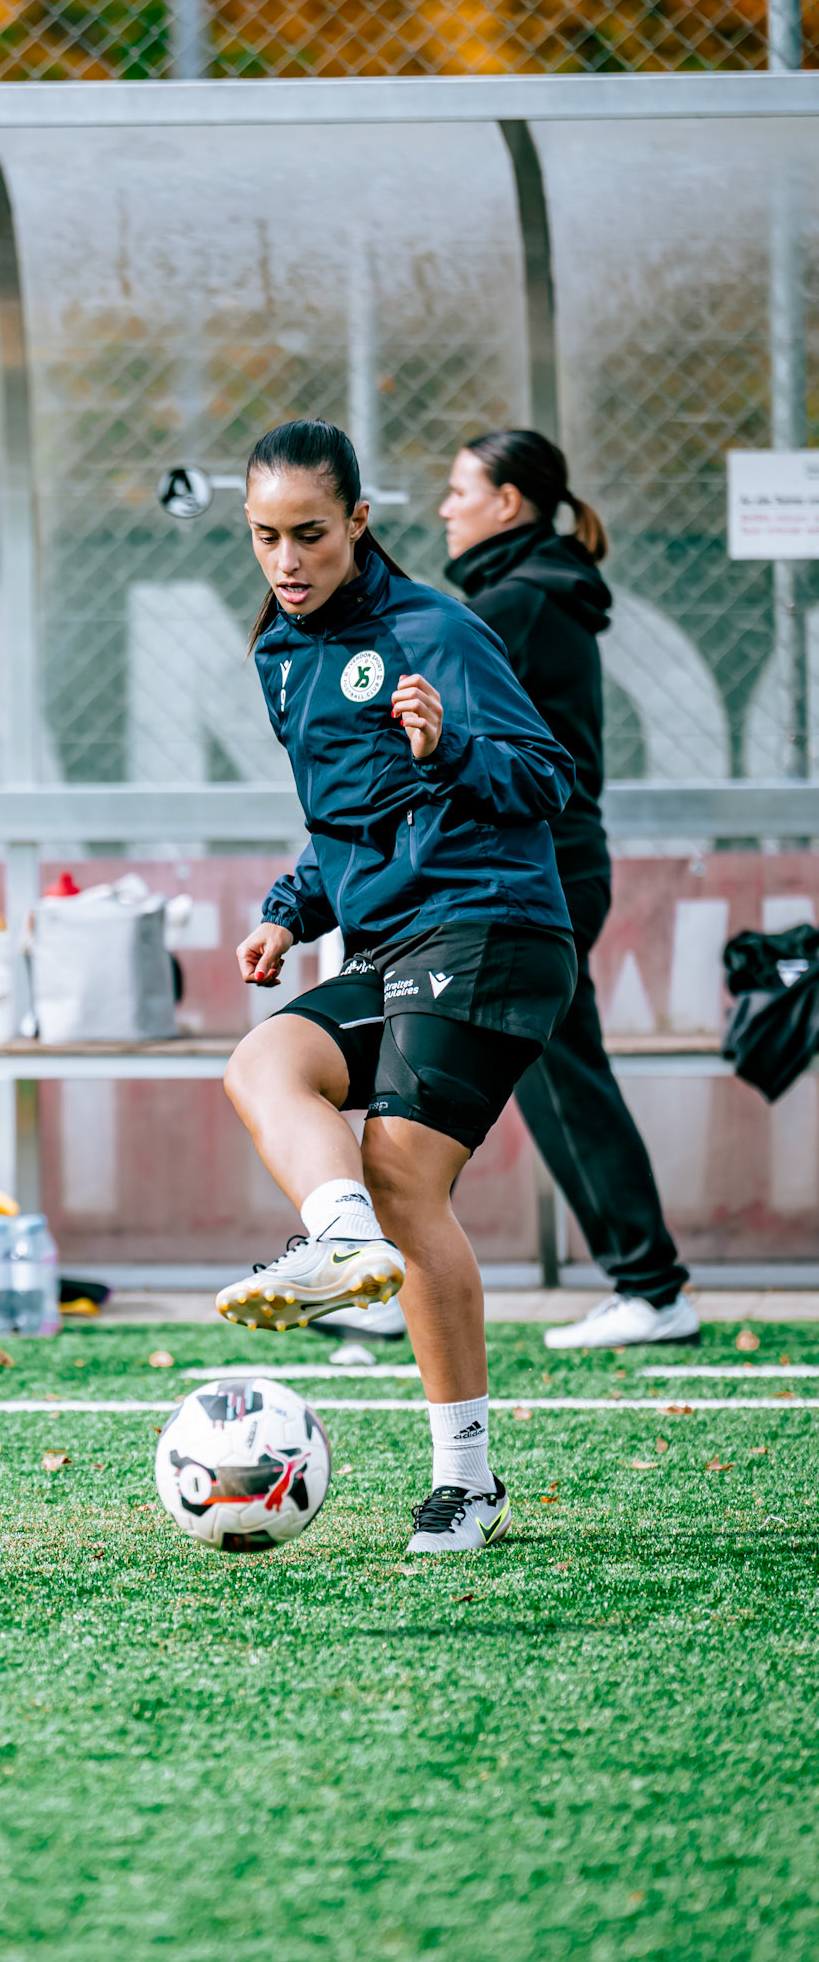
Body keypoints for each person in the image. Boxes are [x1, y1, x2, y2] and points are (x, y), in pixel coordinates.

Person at [217, 419, 577, 1555]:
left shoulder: (435, 628)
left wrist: (448, 747)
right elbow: (347, 824)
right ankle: (338, 1240)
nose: (287, 560)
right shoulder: (281, 654)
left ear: (359, 522)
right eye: (266, 535)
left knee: (404, 1176)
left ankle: (466, 1482)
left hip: (492, 925)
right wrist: (289, 910)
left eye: (310, 534)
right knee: (263, 1062)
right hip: (393, 941)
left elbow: (549, 777)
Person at [437, 430, 696, 1350]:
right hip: (545, 871)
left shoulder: (513, 605)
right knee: (500, 1066)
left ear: (507, 502)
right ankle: (646, 1285)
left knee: (532, 1072)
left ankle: (650, 1287)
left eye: (459, 490)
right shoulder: (534, 593)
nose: (444, 508)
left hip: (537, 876)